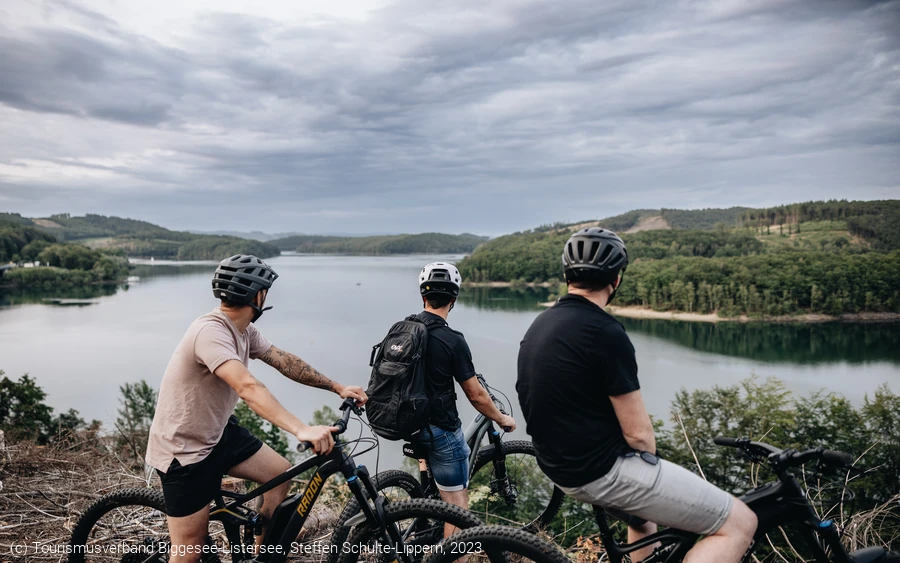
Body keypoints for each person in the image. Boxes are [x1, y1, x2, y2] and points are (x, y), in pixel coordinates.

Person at [516, 229, 757, 563]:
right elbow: (639, 435)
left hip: (557, 466)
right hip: (599, 471)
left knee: (643, 519)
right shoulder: (604, 332)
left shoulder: (540, 324)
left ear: (567, 275)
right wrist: (649, 472)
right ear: (615, 280)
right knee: (741, 521)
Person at [145, 254, 367, 563]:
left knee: (279, 474)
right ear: (257, 295)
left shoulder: (244, 331)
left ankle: (262, 557)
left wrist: (336, 387)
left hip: (219, 433)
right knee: (188, 550)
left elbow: (284, 360)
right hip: (185, 451)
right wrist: (302, 428)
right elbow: (248, 388)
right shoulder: (210, 333)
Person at [411, 262, 517, 533]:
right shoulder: (452, 339)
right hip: (439, 430)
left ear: (423, 297)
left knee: (431, 467)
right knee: (459, 514)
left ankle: (425, 490)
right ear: (453, 300)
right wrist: (501, 417)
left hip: (405, 422)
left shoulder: (402, 329)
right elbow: (476, 395)